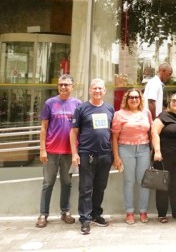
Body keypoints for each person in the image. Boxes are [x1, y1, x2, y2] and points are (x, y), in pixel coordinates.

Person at [36, 74, 82, 228]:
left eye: (66, 84)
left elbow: (80, 129)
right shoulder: (50, 103)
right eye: (61, 84)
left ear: (72, 87)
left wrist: (78, 151)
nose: (63, 87)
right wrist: (42, 149)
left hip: (69, 152)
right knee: (47, 183)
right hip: (51, 151)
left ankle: (65, 211)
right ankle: (43, 214)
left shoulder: (77, 104)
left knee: (67, 182)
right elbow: (43, 128)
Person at [70, 78, 115, 235]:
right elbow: (73, 132)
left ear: (104, 91)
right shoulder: (82, 108)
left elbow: (112, 133)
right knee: (86, 188)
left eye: (100, 88)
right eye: (94, 88)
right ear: (89, 90)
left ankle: (96, 214)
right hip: (86, 154)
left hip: (105, 154)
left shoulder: (110, 108)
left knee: (100, 187)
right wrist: (75, 154)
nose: (97, 91)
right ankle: (85, 218)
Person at [111, 88, 154, 225]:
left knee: (143, 181)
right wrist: (116, 157)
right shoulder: (119, 114)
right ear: (126, 99)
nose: (134, 100)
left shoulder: (146, 112)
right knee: (129, 181)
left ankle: (143, 210)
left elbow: (152, 132)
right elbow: (114, 137)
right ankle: (129, 211)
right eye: (131, 97)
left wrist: (155, 151)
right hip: (126, 149)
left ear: (140, 99)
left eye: (137, 97)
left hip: (144, 149)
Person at [151, 93, 176, 223]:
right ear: (169, 103)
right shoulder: (163, 116)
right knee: (163, 185)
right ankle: (162, 214)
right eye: (174, 100)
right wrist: (157, 151)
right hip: (164, 156)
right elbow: (154, 132)